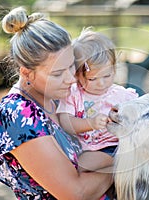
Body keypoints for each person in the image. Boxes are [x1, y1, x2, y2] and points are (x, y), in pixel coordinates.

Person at [0, 7, 113, 200]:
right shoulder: (17, 113)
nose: (71, 79)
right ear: (26, 73)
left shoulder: (63, 95)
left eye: (71, 65)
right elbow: (75, 193)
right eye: (57, 74)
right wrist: (123, 164)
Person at [57, 28, 138, 172]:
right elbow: (65, 122)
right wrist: (90, 123)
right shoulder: (74, 94)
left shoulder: (122, 95)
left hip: (112, 146)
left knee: (82, 165)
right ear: (77, 75)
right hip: (84, 147)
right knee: (69, 164)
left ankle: (120, 163)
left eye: (107, 76)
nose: (101, 83)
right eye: (92, 79)